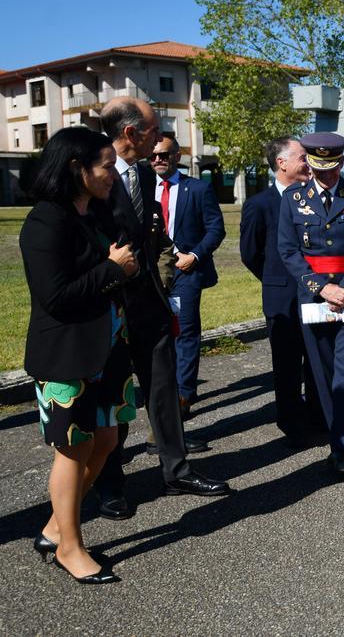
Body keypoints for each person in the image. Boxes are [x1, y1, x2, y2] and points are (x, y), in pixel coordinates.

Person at [93, 97, 228, 519]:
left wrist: (166, 277)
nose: (159, 140)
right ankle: (110, 484)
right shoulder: (92, 175)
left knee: (163, 389)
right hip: (109, 305)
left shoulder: (145, 176)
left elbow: (156, 237)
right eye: (153, 130)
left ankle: (176, 470)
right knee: (113, 397)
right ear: (130, 133)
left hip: (149, 299)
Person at [21, 127, 139, 583]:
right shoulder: (45, 221)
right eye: (106, 166)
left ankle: (56, 525)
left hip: (109, 349)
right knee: (72, 450)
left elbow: (124, 264)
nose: (114, 173)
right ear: (76, 167)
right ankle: (70, 547)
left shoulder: (99, 213)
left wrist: (119, 268)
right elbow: (55, 296)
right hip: (65, 355)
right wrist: (112, 268)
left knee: (106, 442)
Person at [278, 132, 344, 479]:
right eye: (319, 167)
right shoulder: (293, 198)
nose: (327, 174)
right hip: (313, 298)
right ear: (309, 162)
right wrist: (322, 288)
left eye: (332, 166)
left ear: (341, 162)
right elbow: (288, 250)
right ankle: (341, 440)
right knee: (323, 375)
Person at [239, 136, 327, 447]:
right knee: (287, 365)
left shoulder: (314, 198)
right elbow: (250, 253)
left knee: (318, 359)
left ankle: (320, 417)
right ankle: (291, 423)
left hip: (318, 293)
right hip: (282, 298)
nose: (309, 163)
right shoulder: (259, 205)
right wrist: (275, 279)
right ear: (282, 163)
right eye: (303, 157)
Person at [149, 137, 226, 419]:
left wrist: (194, 256)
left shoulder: (198, 188)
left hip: (186, 270)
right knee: (154, 333)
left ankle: (183, 393)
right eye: (153, 155)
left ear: (176, 156)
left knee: (185, 331)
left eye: (164, 155)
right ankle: (160, 390)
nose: (158, 160)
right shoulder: (143, 189)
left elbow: (216, 229)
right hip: (152, 272)